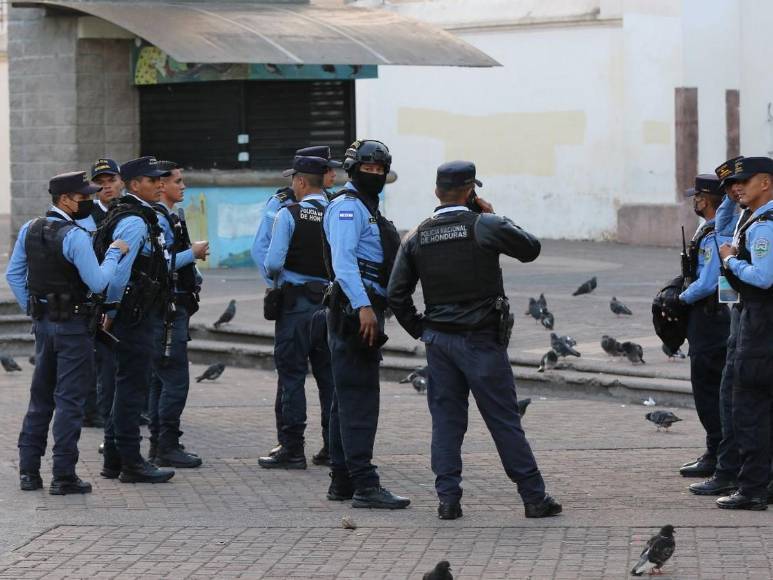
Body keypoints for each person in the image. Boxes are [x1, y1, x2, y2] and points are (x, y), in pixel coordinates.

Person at [387, 160, 562, 519]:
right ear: (471, 192)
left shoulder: (417, 235)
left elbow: (396, 294)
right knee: (503, 419)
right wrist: (494, 216)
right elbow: (530, 248)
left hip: (439, 343)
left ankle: (448, 500)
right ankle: (534, 497)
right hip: (481, 341)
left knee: (446, 423)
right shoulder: (484, 225)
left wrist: (422, 329)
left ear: (437, 192)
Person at [5, 171, 129, 494]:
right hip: (73, 326)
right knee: (70, 401)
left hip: (44, 324)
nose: (89, 201)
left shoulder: (29, 228)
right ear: (65, 200)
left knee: (40, 398)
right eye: (83, 197)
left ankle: (29, 472)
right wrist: (114, 253)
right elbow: (98, 282)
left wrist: (33, 309)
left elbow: (14, 275)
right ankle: (63, 475)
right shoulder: (74, 236)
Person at [322, 139, 410, 509]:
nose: (374, 175)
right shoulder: (348, 207)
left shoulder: (367, 206)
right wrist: (363, 307)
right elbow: (343, 263)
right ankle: (365, 485)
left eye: (379, 170)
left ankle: (343, 481)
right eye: (367, 169)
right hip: (355, 313)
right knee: (360, 399)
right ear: (352, 169)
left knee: (345, 399)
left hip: (363, 308)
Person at [251, 145, 339, 458]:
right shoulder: (337, 212)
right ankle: (333, 446)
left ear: (301, 182)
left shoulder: (288, 213)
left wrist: (277, 279)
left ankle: (292, 448)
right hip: (329, 305)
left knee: (292, 377)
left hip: (296, 305)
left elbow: (273, 262)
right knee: (329, 379)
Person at [93, 156, 175, 484]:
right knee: (131, 389)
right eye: (152, 180)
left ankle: (114, 459)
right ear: (135, 184)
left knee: (123, 385)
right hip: (134, 316)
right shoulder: (136, 221)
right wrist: (112, 312)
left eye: (160, 179)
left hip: (131, 313)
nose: (159, 184)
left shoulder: (132, 213)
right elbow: (118, 274)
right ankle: (131, 462)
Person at [717, 156, 773, 510]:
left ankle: (752, 489)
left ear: (765, 182)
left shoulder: (764, 225)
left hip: (761, 324)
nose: (738, 188)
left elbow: (764, 277)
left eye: (745, 181)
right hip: (762, 322)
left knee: (749, 408)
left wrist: (730, 260)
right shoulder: (754, 219)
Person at [689, 158, 748, 496]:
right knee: (722, 394)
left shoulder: (757, 224)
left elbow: (711, 278)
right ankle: (724, 462)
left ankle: (732, 468)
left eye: (742, 184)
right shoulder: (736, 221)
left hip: (725, 316)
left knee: (724, 395)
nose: (737, 192)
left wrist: (681, 298)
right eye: (730, 188)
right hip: (733, 316)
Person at [148, 161, 209, 468]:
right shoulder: (157, 219)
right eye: (178, 181)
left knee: (161, 380)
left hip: (174, 305)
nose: (183, 186)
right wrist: (192, 254)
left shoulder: (170, 216)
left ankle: (160, 443)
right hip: (168, 310)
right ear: (161, 185)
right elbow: (162, 263)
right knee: (175, 380)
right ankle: (166, 445)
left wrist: (194, 272)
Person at [677, 175, 731, 478]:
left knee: (708, 387)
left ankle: (717, 453)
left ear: (706, 200)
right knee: (709, 387)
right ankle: (716, 450)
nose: (694, 202)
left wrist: (681, 299)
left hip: (710, 317)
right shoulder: (709, 229)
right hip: (710, 316)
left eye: (696, 197)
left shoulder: (713, 233)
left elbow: (709, 281)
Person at [81, 158, 124, 429]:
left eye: (111, 181)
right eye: (101, 183)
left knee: (121, 356)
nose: (107, 187)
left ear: (122, 182)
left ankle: (119, 408)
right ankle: (93, 410)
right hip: (96, 294)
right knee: (97, 357)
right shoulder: (88, 217)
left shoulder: (128, 212)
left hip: (125, 294)